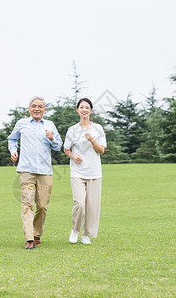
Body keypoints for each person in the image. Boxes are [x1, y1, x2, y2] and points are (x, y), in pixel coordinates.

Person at [8, 96, 63, 249]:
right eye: (34, 106)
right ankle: (29, 239)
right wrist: (13, 151)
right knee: (27, 204)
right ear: (29, 109)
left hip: (45, 171)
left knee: (42, 205)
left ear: (44, 109)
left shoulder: (50, 125)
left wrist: (52, 139)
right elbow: (12, 139)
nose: (37, 108)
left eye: (40, 106)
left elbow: (58, 146)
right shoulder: (21, 124)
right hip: (26, 170)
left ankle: (37, 233)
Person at [63, 98, 106, 245]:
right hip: (77, 172)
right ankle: (75, 230)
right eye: (81, 107)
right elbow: (66, 149)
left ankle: (86, 235)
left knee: (92, 205)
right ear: (77, 110)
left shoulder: (98, 128)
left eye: (87, 107)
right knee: (80, 203)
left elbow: (101, 150)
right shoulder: (72, 130)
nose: (84, 110)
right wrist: (74, 157)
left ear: (91, 110)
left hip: (94, 172)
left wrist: (92, 140)